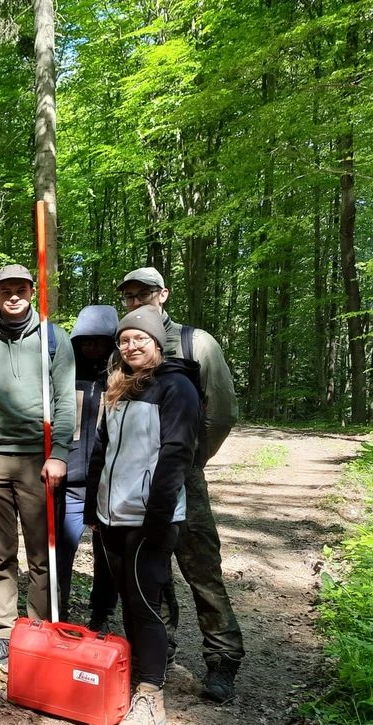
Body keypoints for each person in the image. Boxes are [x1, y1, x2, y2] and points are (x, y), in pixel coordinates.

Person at [117, 267, 243, 702]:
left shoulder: (196, 343)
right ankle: (161, 647)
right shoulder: (127, 347)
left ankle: (223, 658)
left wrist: (191, 459)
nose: (137, 301)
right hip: (135, 484)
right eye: (129, 296)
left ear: (163, 295)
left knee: (201, 568)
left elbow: (222, 412)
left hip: (183, 476)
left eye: (144, 294)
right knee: (153, 568)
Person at [84, 305, 201, 725]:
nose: (131, 346)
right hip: (111, 513)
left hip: (149, 516)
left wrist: (158, 513)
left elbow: (175, 455)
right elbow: (102, 448)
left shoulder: (176, 388)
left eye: (140, 339)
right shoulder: (117, 387)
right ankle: (136, 676)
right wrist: (94, 505)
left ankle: (151, 696)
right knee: (129, 601)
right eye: (125, 340)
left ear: (157, 343)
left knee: (146, 602)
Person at [0, 264, 74, 669]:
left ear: (31, 291)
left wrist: (58, 453)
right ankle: (6, 630)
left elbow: (63, 402)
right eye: (5, 289)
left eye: (21, 289)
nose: (13, 296)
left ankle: (38, 627)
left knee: (43, 554)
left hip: (39, 463)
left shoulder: (53, 340)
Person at [60, 305, 118, 625]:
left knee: (107, 553)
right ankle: (59, 607)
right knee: (63, 550)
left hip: (108, 482)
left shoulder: (122, 379)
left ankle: (102, 612)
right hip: (69, 482)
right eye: (86, 340)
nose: (92, 347)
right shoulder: (64, 377)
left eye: (100, 340)